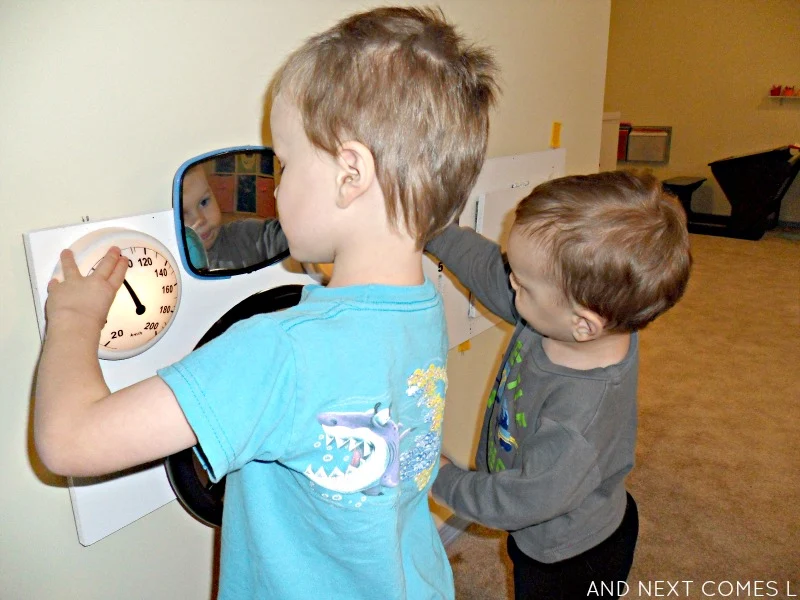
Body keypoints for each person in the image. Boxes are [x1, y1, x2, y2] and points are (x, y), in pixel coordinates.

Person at [34, 6, 498, 600]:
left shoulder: (280, 352)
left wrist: (73, 316)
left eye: (285, 161)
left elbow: (70, 439)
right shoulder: (420, 305)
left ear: (349, 174)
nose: (276, 184)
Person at [427, 170, 692, 600]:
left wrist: (441, 479)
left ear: (583, 323)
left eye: (524, 283)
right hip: (563, 510)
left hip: (567, 554)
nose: (510, 283)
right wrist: (435, 232)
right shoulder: (583, 320)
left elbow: (519, 500)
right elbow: (492, 275)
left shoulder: (579, 422)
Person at [181, 162, 287, 271]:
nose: (200, 219)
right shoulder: (172, 267)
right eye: (183, 214)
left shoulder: (246, 236)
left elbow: (281, 236)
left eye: (204, 202)